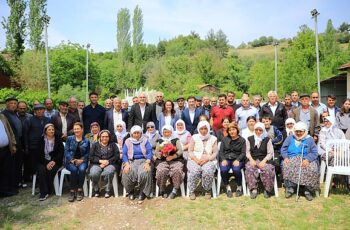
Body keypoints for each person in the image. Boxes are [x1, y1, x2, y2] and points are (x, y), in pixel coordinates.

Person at [281, 122, 319, 201]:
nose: (298, 133)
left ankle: (307, 190)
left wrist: (308, 159)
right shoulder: (290, 138)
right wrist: (285, 157)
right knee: (287, 166)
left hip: (305, 159)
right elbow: (283, 149)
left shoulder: (309, 139)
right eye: (296, 131)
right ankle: (290, 188)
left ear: (305, 131)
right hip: (291, 158)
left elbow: (315, 152)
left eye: (300, 131)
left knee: (312, 168)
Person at [187, 121, 218, 200]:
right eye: (201, 129)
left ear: (208, 129)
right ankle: (191, 191)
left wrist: (207, 159)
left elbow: (215, 153)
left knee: (207, 171)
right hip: (194, 159)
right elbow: (190, 151)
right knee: (195, 170)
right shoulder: (194, 137)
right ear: (198, 129)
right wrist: (196, 160)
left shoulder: (213, 138)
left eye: (205, 128)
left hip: (208, 160)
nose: (203, 131)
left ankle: (207, 190)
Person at [122, 125, 153, 203]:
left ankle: (143, 192)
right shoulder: (127, 141)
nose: (136, 134)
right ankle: (130, 191)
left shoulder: (145, 140)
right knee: (127, 172)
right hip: (131, 161)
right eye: (134, 133)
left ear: (141, 133)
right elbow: (124, 154)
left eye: (138, 133)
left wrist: (148, 162)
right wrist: (126, 163)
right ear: (131, 134)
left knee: (145, 172)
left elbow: (149, 152)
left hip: (144, 160)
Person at [245, 122, 275, 199]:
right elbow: (247, 151)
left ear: (263, 130)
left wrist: (264, 161)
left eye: (260, 130)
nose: (258, 131)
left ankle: (267, 190)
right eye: (256, 130)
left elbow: (270, 153)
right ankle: (254, 189)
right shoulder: (249, 139)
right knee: (250, 168)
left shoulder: (267, 139)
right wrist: (251, 160)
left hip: (264, 160)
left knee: (267, 169)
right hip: (253, 159)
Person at [155, 125, 184, 199]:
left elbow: (180, 150)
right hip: (163, 161)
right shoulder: (160, 141)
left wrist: (173, 156)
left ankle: (175, 189)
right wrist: (162, 154)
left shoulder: (175, 140)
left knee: (177, 170)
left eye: (168, 132)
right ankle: (162, 189)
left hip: (175, 160)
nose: (166, 134)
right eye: (164, 132)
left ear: (171, 132)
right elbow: (156, 151)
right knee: (162, 170)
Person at [36, 124, 64, 201]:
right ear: (45, 131)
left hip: (55, 161)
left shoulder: (58, 139)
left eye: (53, 129)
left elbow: (61, 153)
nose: (52, 131)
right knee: (42, 170)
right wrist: (46, 163)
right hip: (42, 161)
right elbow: (38, 154)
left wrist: (53, 161)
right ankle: (43, 192)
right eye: (49, 129)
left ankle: (48, 190)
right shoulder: (41, 140)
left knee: (51, 169)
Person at [89, 130, 120, 198]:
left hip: (110, 163)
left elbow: (117, 156)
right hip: (97, 164)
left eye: (106, 136)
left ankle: (107, 190)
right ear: (100, 137)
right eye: (103, 136)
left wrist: (108, 161)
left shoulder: (113, 145)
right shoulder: (95, 145)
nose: (104, 138)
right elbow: (91, 157)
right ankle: (96, 189)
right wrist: (100, 161)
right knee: (94, 172)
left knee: (109, 171)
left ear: (109, 137)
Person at [24, 104, 50, 182]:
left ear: (44, 110)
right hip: (33, 146)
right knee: (34, 164)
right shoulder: (29, 120)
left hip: (45, 145)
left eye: (41, 109)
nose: (39, 111)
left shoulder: (48, 120)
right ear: (34, 111)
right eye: (37, 110)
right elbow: (25, 133)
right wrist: (26, 146)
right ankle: (35, 180)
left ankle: (43, 179)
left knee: (44, 162)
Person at [64, 122, 90, 202]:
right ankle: (72, 191)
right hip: (70, 161)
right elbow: (66, 151)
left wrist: (82, 160)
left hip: (82, 161)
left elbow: (88, 153)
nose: (76, 130)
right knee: (74, 170)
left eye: (78, 128)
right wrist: (71, 160)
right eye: (75, 129)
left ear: (82, 130)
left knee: (82, 170)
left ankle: (79, 190)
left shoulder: (86, 140)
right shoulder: (69, 138)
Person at [219, 123, 246, 198]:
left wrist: (238, 160)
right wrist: (223, 159)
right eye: (230, 130)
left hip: (237, 159)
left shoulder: (242, 140)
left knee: (236, 170)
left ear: (237, 130)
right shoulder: (224, 139)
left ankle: (239, 187)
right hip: (226, 159)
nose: (231, 131)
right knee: (223, 170)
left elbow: (243, 153)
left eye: (233, 129)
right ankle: (227, 187)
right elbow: (221, 152)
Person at [2, 97, 22, 187]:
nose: (13, 105)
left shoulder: (15, 114)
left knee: (18, 163)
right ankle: (13, 184)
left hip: (18, 141)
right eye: (11, 103)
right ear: (7, 104)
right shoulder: (4, 115)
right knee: (11, 165)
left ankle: (18, 182)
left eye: (15, 103)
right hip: (11, 143)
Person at [0, 114, 17, 197]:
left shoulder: (2, 117)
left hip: (5, 149)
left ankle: (5, 190)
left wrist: (13, 144)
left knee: (6, 170)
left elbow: (10, 131)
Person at [17, 101, 33, 187]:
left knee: (28, 161)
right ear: (17, 108)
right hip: (18, 142)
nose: (23, 110)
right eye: (21, 108)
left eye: (24, 108)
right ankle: (19, 180)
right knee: (19, 163)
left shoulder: (30, 117)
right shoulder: (15, 117)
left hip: (28, 142)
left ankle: (27, 178)